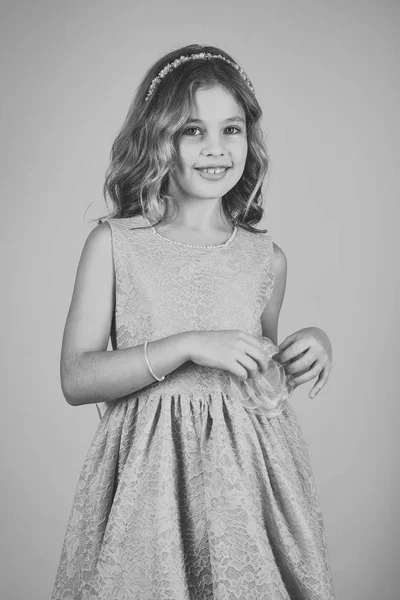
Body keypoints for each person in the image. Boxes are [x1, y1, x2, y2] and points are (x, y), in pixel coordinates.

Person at [51, 44, 335, 600]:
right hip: (149, 492)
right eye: (191, 131)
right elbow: (76, 378)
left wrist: (307, 349)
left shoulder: (266, 258)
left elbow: (262, 390)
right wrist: (189, 344)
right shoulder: (115, 245)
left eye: (231, 129)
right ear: (157, 138)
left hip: (246, 493)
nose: (215, 148)